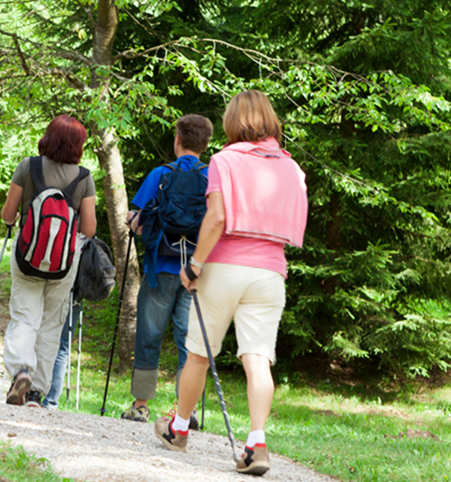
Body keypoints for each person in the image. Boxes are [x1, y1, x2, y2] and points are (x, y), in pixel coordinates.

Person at [153, 90, 308, 477]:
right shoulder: (292, 167)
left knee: (199, 353)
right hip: (271, 270)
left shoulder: (225, 160)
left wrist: (195, 264)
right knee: (258, 358)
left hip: (225, 266)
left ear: (232, 121)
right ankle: (256, 443)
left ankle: (179, 428)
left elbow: (218, 217)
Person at [120, 114, 214, 423]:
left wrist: (131, 222)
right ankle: (185, 411)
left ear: (177, 140)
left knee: (149, 333)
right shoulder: (213, 178)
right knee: (190, 339)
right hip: (197, 272)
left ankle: (141, 404)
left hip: (160, 266)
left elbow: (137, 222)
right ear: (206, 144)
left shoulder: (160, 174)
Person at [0, 115, 97, 408]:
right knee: (51, 326)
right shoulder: (84, 177)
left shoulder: (27, 167)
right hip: (63, 264)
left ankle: (20, 371)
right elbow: (89, 229)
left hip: (27, 258)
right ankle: (35, 393)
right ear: (78, 145)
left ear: (48, 137)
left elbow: (7, 214)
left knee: (24, 317)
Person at [41, 299, 81, 409]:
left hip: (58, 291)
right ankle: (51, 401)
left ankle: (31, 395)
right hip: (77, 295)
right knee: (62, 348)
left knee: (42, 340)